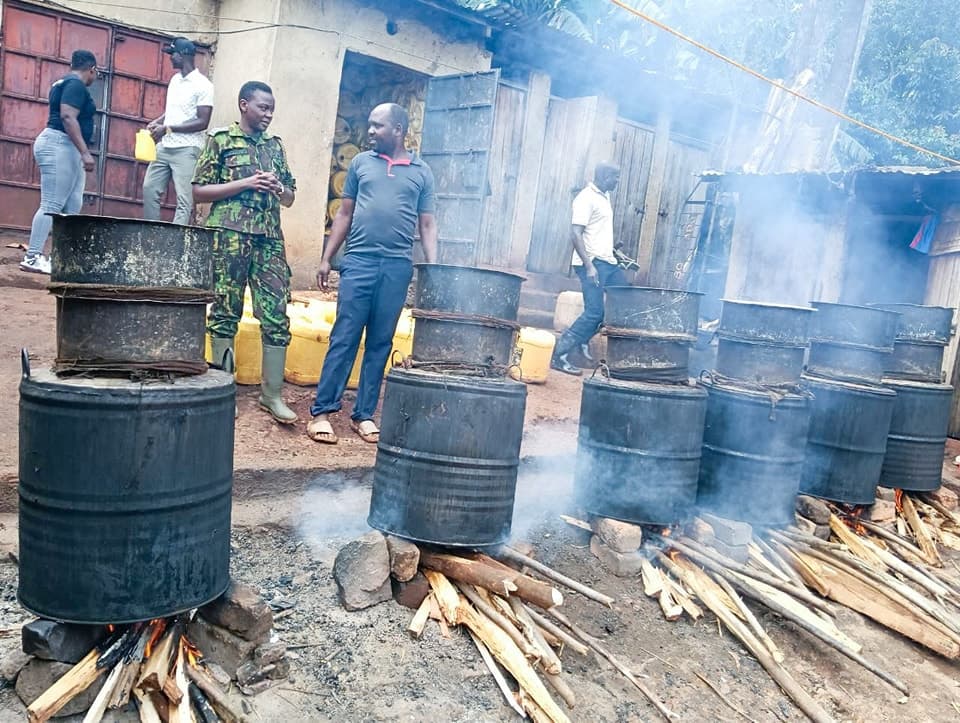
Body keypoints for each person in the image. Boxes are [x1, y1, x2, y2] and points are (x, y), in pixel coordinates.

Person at [306, 102, 438, 445]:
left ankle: (363, 415)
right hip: (359, 262)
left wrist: (432, 268)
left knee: (380, 342)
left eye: (377, 125)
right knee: (344, 337)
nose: (370, 131)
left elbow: (427, 223)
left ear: (398, 130)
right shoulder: (361, 164)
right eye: (370, 124)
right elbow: (344, 214)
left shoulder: (422, 172)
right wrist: (327, 257)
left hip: (396, 267)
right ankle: (322, 411)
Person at [192, 81, 298, 423]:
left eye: (271, 109)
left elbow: (291, 196)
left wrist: (278, 187)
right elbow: (198, 192)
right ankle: (224, 392)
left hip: (268, 240)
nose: (268, 114)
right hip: (228, 237)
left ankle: (272, 395)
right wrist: (247, 183)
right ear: (243, 105)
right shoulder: (221, 140)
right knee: (225, 311)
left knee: (276, 315)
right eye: (262, 108)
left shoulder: (275, 147)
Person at [22, 50, 98, 274]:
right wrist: (85, 152)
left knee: (72, 205)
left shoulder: (62, 82)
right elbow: (67, 116)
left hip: (67, 147)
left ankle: (61, 258)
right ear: (92, 68)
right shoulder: (75, 85)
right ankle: (33, 256)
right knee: (52, 205)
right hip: (60, 144)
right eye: (96, 73)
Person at [550, 162, 626, 375]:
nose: (617, 181)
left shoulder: (605, 195)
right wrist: (590, 266)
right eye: (614, 176)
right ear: (602, 176)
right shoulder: (585, 198)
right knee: (594, 312)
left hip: (607, 262)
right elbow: (575, 234)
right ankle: (559, 355)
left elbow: (596, 230)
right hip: (592, 264)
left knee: (622, 301)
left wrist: (611, 248)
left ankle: (582, 339)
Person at [142, 37, 214, 225]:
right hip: (165, 146)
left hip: (187, 149)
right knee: (149, 189)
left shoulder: (203, 85)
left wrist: (168, 129)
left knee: (185, 200)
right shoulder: (175, 80)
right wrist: (158, 121)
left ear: (183, 55)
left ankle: (176, 244)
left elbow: (203, 121)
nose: (170, 58)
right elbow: (174, 111)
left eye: (172, 54)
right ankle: (152, 235)